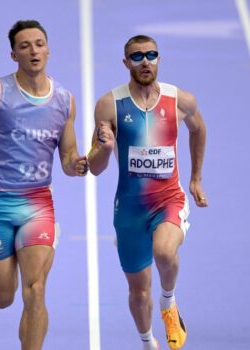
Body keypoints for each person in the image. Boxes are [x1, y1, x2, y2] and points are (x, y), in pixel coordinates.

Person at [0, 19, 87, 350]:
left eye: (39, 43)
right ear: (13, 54)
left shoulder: (64, 101)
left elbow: (69, 158)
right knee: (2, 298)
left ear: (48, 49)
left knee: (37, 289)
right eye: (25, 45)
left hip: (38, 203)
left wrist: (79, 164)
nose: (34, 50)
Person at [88, 35, 207, 350]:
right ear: (126, 62)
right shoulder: (109, 104)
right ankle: (146, 341)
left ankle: (168, 303)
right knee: (139, 293)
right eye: (137, 56)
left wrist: (195, 178)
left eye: (151, 55)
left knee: (165, 252)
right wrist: (105, 147)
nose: (145, 61)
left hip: (169, 200)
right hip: (129, 211)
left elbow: (199, 129)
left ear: (158, 59)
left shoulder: (179, 99)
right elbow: (95, 166)